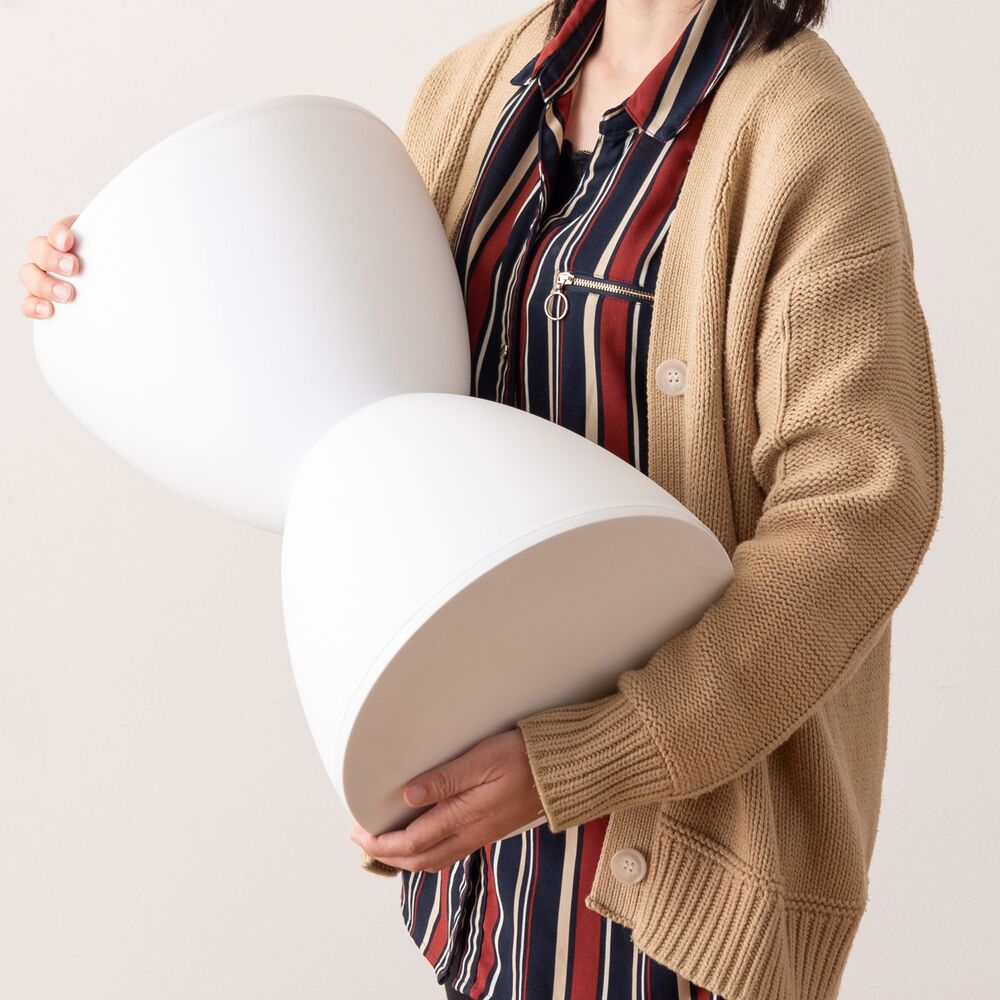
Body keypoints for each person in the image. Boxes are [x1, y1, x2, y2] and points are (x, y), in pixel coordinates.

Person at [17, 1, 944, 998]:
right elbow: (352, 388)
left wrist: (578, 760)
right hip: (484, 888)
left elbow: (860, 515)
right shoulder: (477, 86)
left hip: (668, 893)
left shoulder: (804, 131)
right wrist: (112, 283)